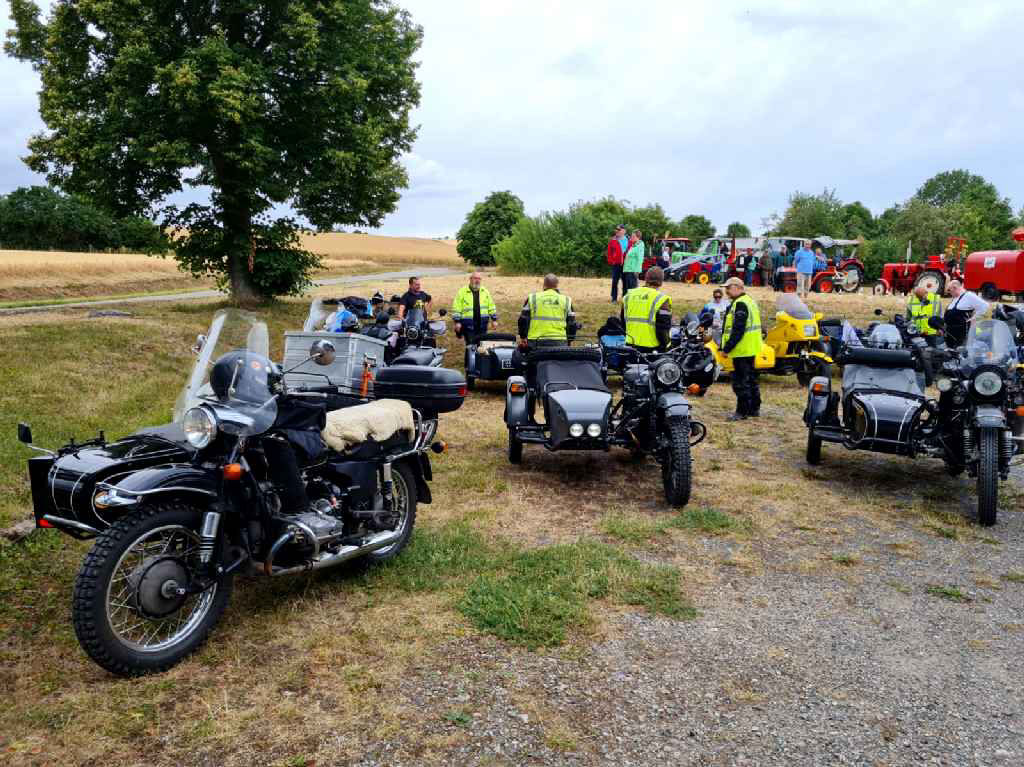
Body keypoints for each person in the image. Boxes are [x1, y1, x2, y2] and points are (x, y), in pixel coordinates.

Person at [721, 276, 762, 421]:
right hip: (751, 348)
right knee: (751, 379)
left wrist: (727, 348)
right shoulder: (749, 301)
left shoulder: (740, 304)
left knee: (740, 382)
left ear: (738, 288)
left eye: (728, 288)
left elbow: (738, 329)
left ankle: (741, 411)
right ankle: (754, 409)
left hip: (742, 349)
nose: (726, 291)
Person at [622, 266, 672, 352]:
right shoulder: (662, 299)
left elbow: (623, 322)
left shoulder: (628, 296)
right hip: (651, 350)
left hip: (629, 347)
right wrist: (668, 346)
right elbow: (663, 329)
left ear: (646, 279)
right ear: (661, 282)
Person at [518, 273, 574, 349]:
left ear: (544, 285)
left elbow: (523, 320)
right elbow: (571, 324)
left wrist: (523, 337)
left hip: (535, 340)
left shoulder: (533, 298)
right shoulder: (566, 300)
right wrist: (569, 341)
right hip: (559, 341)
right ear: (557, 285)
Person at [452, 271, 498, 341]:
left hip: (482, 325)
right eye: (475, 278)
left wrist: (494, 320)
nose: (477, 280)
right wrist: (457, 322)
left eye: (479, 279)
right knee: (471, 345)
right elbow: (456, 307)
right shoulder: (462, 291)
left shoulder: (485, 291)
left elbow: (491, 306)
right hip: (468, 325)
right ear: (470, 279)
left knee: (482, 344)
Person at [944, 280, 988, 348]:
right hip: (950, 334)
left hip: (962, 335)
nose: (949, 292)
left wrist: (974, 318)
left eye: (949, 290)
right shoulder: (955, 298)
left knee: (960, 351)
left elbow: (984, 305)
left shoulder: (968, 295)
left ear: (955, 288)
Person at [607, 225, 626, 302]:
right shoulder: (613, 240)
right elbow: (609, 252)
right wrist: (612, 261)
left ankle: (625, 298)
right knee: (615, 281)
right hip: (616, 264)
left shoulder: (629, 240)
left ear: (624, 231)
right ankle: (614, 298)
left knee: (625, 281)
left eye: (619, 230)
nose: (617, 231)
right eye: (616, 230)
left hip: (626, 264)